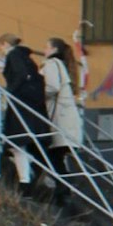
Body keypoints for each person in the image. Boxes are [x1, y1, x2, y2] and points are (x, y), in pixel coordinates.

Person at [0, 35, 49, 189]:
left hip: (20, 105)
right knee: (20, 143)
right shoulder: (26, 57)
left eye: (1, 46)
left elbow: (20, 74)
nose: (1, 50)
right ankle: (29, 172)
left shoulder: (13, 55)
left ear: (5, 44)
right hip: (32, 105)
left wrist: (10, 91)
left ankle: (25, 180)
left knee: (16, 143)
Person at [42, 35, 84, 180]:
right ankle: (65, 186)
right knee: (55, 158)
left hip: (59, 121)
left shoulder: (51, 64)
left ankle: (66, 184)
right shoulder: (63, 65)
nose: (44, 50)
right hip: (68, 122)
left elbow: (52, 87)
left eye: (46, 47)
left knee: (50, 157)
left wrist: (35, 94)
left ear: (54, 49)